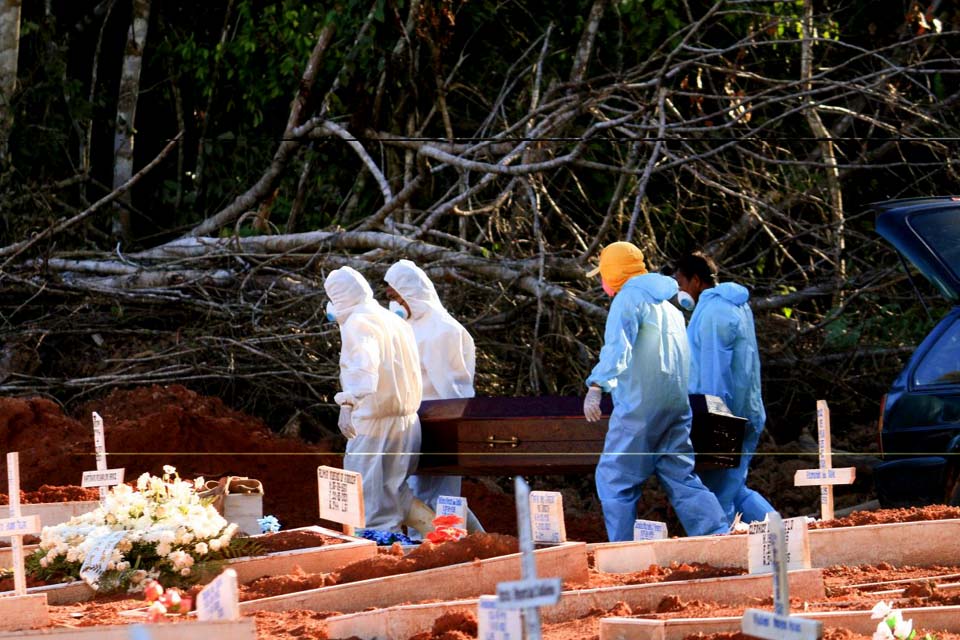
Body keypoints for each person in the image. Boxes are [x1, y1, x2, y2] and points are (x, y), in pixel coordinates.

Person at [583, 241, 728, 542]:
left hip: (640, 408)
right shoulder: (670, 306)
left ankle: (622, 552)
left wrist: (597, 385)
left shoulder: (628, 300)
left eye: (603, 274)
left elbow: (617, 350)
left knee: (614, 480)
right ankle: (719, 535)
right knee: (681, 477)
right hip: (675, 408)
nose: (602, 281)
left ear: (613, 273)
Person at [323, 265, 435, 533]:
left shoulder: (359, 322)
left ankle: (385, 562)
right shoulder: (392, 319)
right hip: (407, 423)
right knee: (397, 495)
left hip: (375, 426)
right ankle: (461, 538)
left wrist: (348, 403)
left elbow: (364, 368)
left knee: (368, 504)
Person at [673, 251, 774, 524]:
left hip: (725, 414)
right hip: (745, 410)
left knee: (718, 494)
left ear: (696, 281)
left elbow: (716, 371)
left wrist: (715, 419)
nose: (679, 290)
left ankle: (732, 550)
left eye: (681, 283)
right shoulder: (734, 305)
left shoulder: (715, 313)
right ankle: (781, 532)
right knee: (733, 487)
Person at [383, 259, 484, 533]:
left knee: (440, 498)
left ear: (411, 293)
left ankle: (469, 549)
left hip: (441, 427)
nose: (392, 302)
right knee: (426, 496)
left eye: (396, 296)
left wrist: (453, 431)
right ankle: (480, 543)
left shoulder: (443, 330)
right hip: (417, 426)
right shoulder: (409, 327)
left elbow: (452, 390)